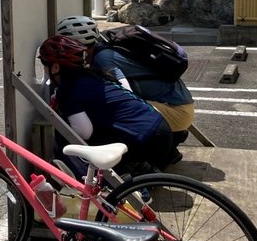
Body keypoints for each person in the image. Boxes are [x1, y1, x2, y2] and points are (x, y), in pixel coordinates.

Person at [56, 15, 195, 164]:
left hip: (176, 110)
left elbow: (125, 91)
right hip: (179, 105)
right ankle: (171, 143)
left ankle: (149, 157)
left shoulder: (103, 59)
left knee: (111, 116)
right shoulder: (107, 48)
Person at [39, 34, 173, 173]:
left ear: (55, 67)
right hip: (160, 128)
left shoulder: (69, 89)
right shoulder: (91, 75)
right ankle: (140, 171)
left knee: (74, 148)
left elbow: (84, 132)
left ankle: (134, 176)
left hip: (149, 139)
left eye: (44, 64)